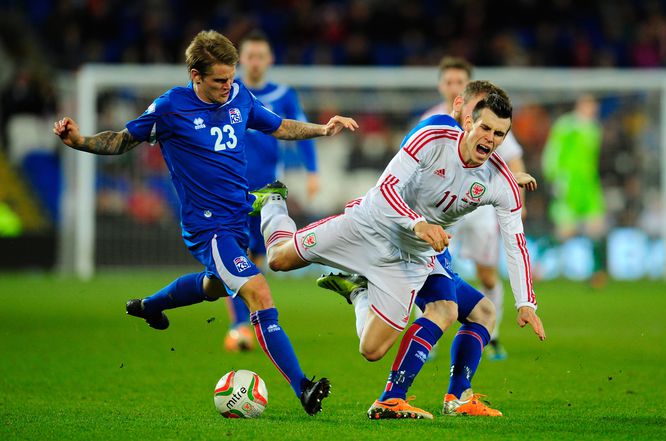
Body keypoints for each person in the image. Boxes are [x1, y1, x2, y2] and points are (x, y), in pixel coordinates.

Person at [52, 29, 358, 416]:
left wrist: (322, 129)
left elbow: (278, 126)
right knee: (259, 293)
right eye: (219, 81)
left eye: (231, 78)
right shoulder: (169, 108)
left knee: (214, 286)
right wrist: (79, 141)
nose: (227, 87)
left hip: (239, 216)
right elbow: (120, 140)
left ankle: (150, 306)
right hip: (208, 227)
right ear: (195, 76)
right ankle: (303, 387)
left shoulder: (239, 96)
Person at [251, 89, 546, 420]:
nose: (491, 139)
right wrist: (419, 224)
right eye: (486, 129)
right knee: (278, 258)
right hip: (368, 226)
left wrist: (526, 303)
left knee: (372, 350)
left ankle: (362, 297)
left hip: (410, 259)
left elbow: (515, 241)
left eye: (499, 134)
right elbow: (387, 188)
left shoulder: (500, 181)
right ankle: (273, 201)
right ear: (467, 122)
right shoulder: (433, 135)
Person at [423, 57, 529, 361]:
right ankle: (431, 335)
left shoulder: (486, 120)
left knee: (487, 275)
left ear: (467, 86)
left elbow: (513, 159)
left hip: (478, 205)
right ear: (441, 85)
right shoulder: (431, 119)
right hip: (442, 207)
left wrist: (517, 201)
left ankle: (490, 336)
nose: (453, 86)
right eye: (449, 81)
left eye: (460, 81)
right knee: (430, 269)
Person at [223, 30, 321, 353]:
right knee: (234, 255)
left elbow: (298, 126)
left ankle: (249, 320)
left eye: (260, 56)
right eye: (249, 56)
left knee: (259, 258)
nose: (254, 62)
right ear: (241, 60)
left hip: (267, 190)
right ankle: (239, 327)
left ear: (269, 60)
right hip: (231, 186)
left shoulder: (283, 94)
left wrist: (313, 171)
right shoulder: (227, 91)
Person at [541, 94, 606, 285]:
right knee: (565, 233)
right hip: (568, 185)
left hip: (589, 187)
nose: (592, 110)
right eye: (589, 105)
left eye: (594, 106)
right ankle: (535, 264)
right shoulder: (565, 126)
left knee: (597, 228)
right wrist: (553, 178)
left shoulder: (595, 129)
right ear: (580, 105)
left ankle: (596, 274)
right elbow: (552, 152)